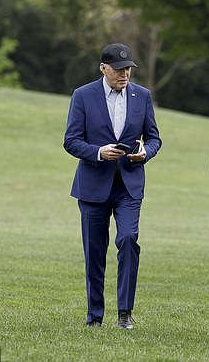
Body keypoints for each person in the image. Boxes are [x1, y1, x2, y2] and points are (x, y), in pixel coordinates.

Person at [64, 43, 162, 329]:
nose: (125, 74)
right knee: (95, 252)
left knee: (129, 239)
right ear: (103, 68)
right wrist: (98, 152)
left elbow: (154, 138)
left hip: (129, 186)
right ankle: (95, 317)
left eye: (128, 68)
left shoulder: (142, 96)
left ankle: (124, 314)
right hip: (93, 185)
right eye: (119, 69)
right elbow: (70, 140)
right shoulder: (82, 96)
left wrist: (146, 153)